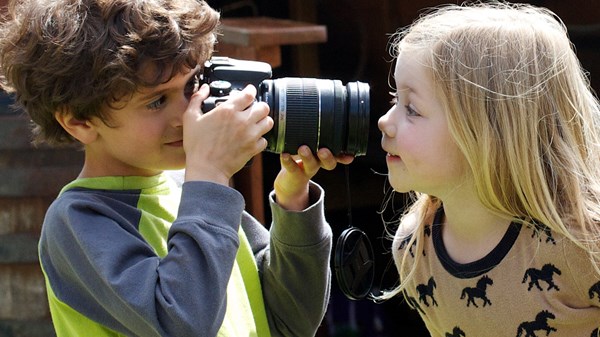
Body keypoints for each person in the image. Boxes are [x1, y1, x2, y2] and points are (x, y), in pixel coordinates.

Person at [0, 0, 353, 336]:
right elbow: (184, 325)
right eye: (156, 101)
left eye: (191, 86)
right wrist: (211, 177)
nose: (187, 114)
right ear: (79, 122)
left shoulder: (193, 191)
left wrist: (293, 202)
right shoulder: (78, 223)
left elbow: (292, 321)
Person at [376, 2, 600, 336]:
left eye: (412, 109)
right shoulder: (414, 248)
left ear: (486, 134)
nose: (384, 121)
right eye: (396, 99)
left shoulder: (583, 245)